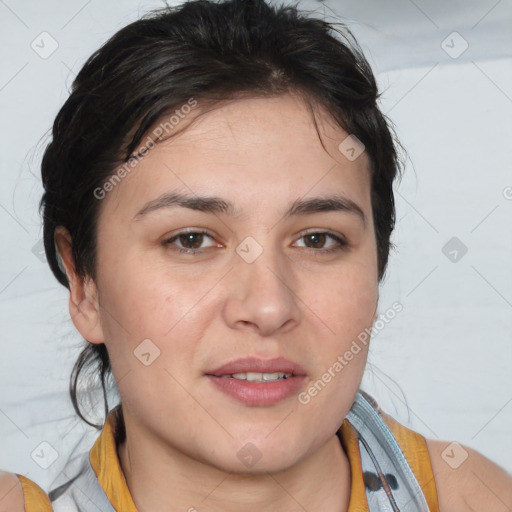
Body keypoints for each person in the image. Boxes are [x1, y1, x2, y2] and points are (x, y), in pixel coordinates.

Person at [1, 0, 511, 510]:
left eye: (317, 239)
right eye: (191, 240)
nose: (268, 307)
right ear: (84, 284)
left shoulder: (472, 497)